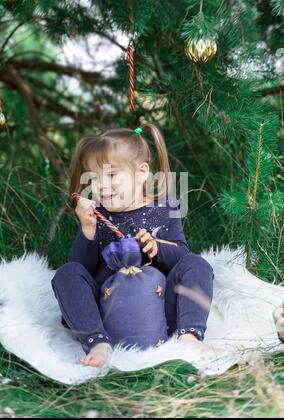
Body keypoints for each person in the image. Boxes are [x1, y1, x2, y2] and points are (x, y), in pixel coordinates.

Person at [51, 124, 214, 368]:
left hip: (159, 310)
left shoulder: (163, 210)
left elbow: (181, 256)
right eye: (94, 177)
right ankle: (97, 342)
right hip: (107, 311)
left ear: (141, 173)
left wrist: (157, 247)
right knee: (67, 274)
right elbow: (81, 269)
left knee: (196, 264)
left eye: (111, 175)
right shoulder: (97, 216)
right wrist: (87, 232)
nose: (101, 185)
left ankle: (188, 335)